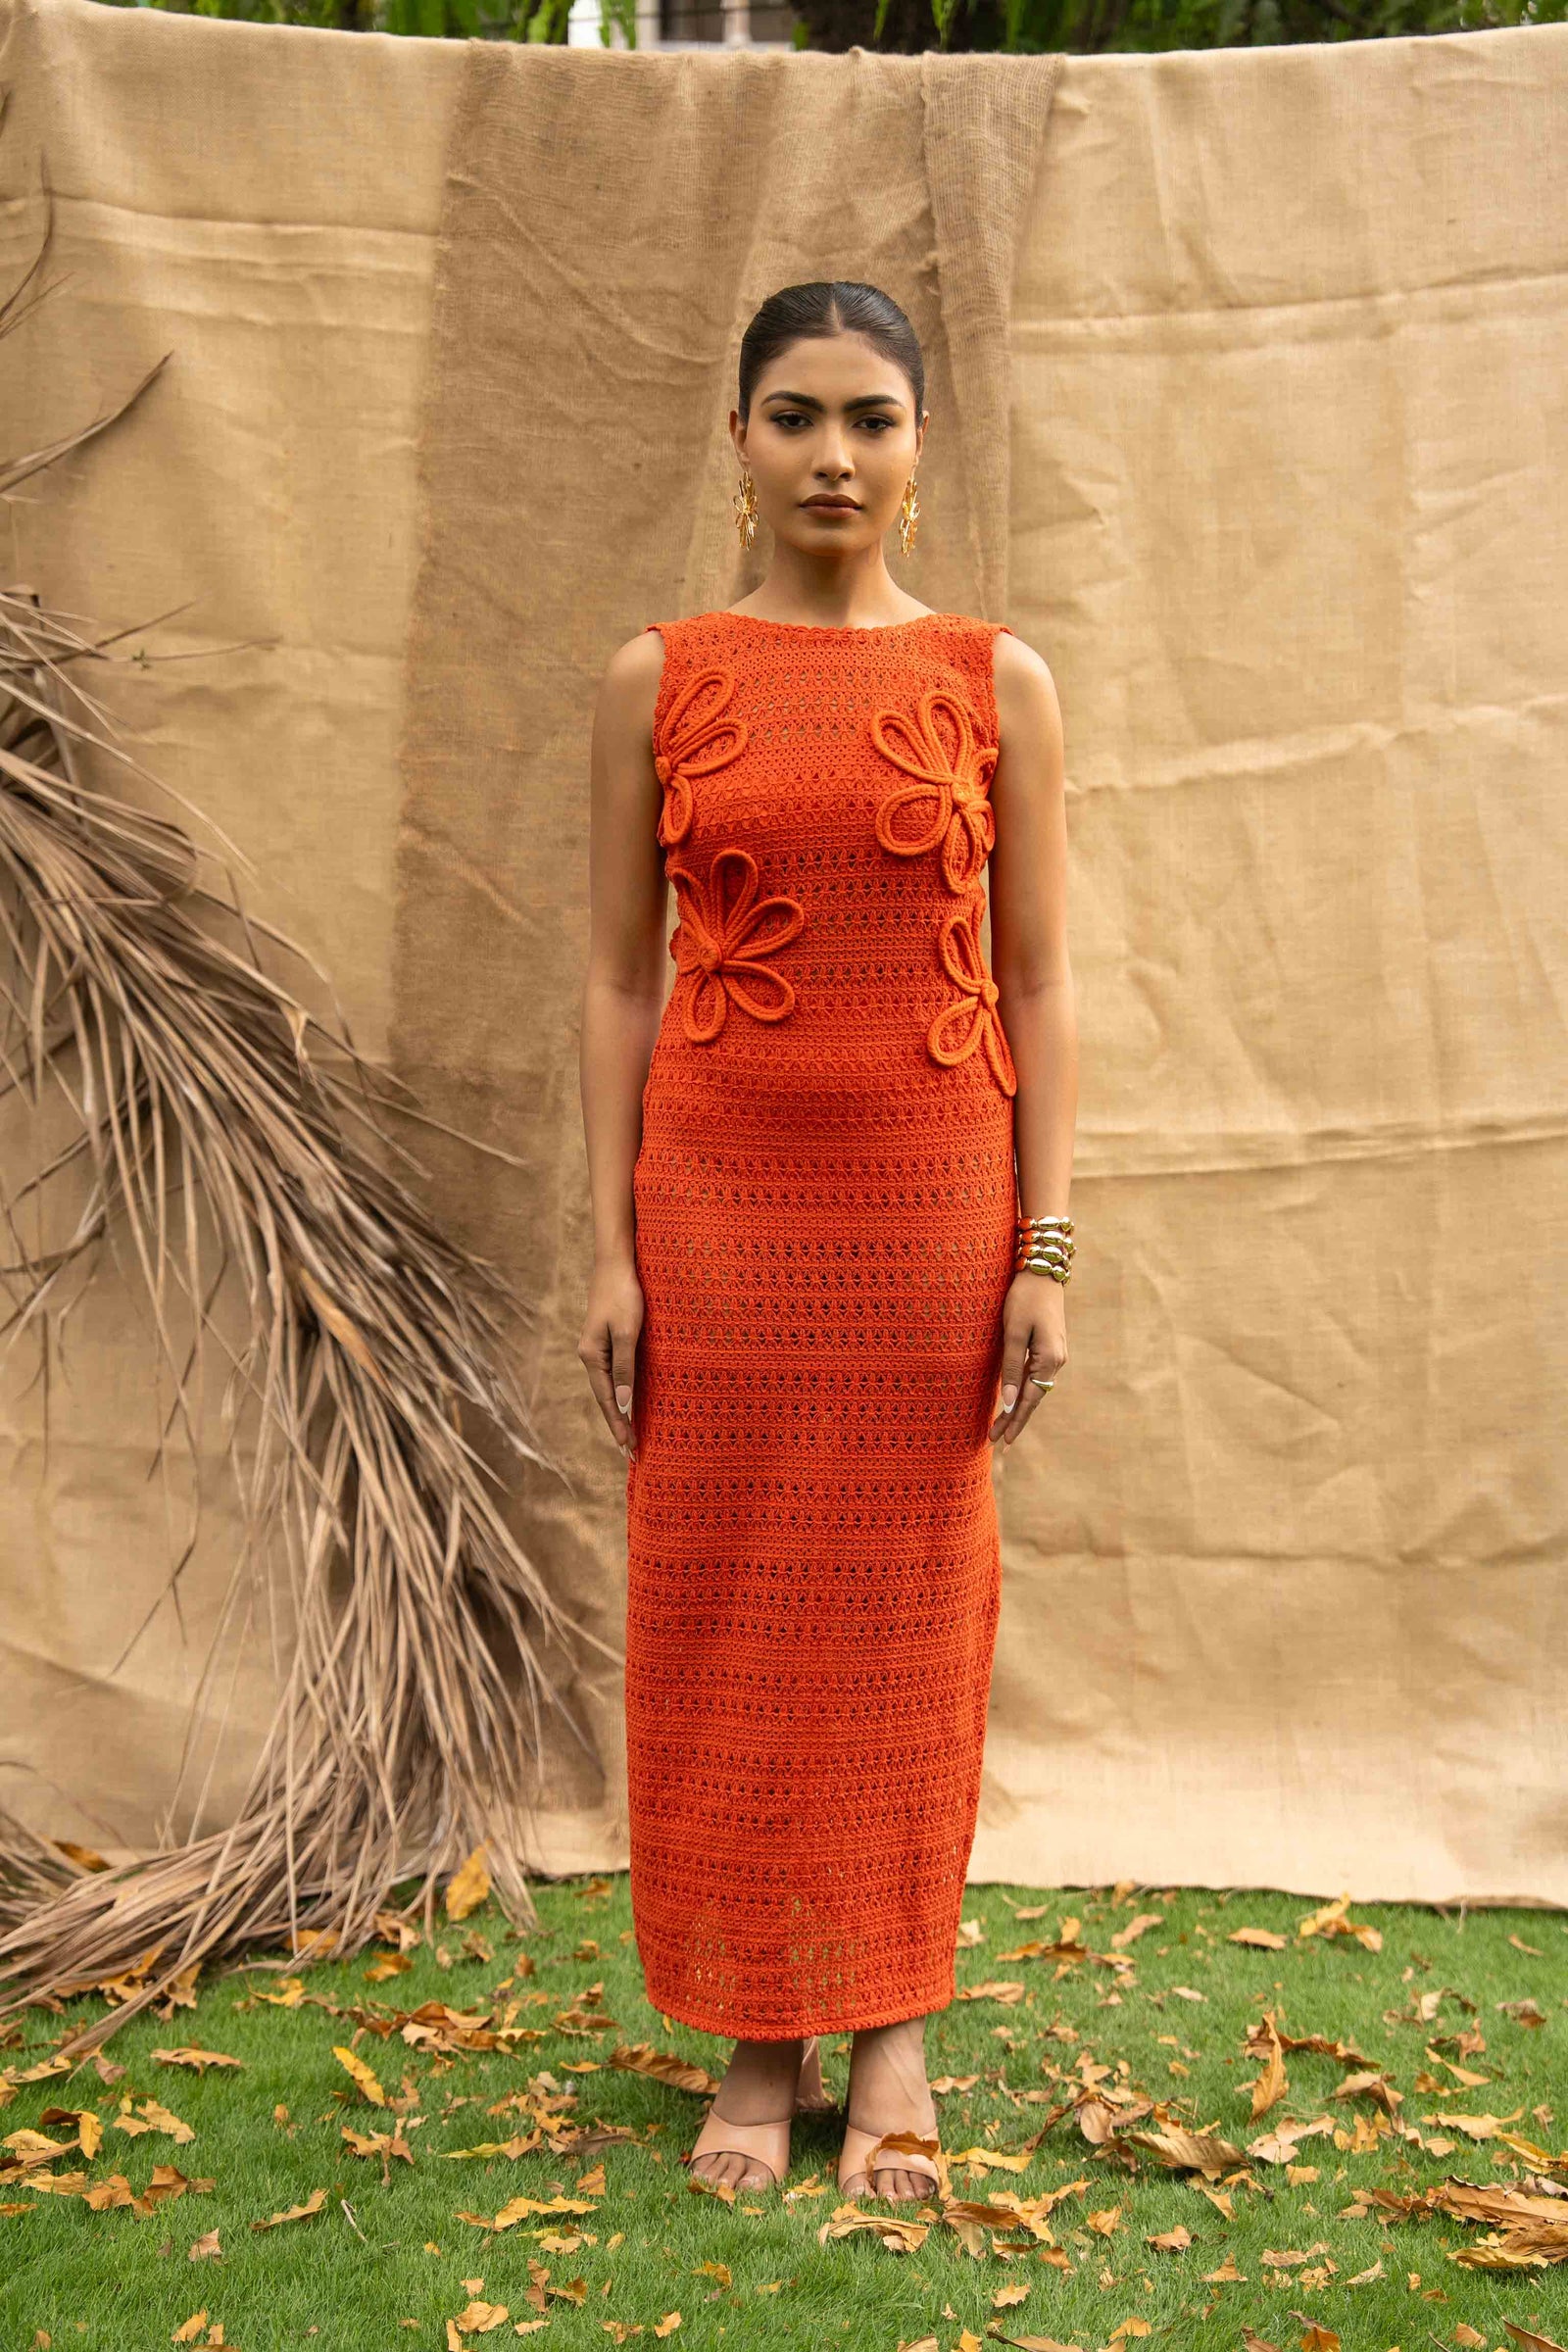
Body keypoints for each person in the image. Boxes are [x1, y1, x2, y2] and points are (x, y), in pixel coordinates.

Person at [577, 279, 1075, 2206]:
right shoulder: (660, 673)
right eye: (793, 416)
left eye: (869, 417)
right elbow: (616, 981)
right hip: (716, 1207)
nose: (832, 457)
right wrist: (606, 1246)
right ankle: (749, 2032)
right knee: (726, 1610)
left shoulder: (988, 678)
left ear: (920, 442)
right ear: (734, 438)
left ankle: (891, 2038)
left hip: (932, 1206)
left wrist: (1048, 1245)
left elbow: (1036, 975)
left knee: (904, 1616)